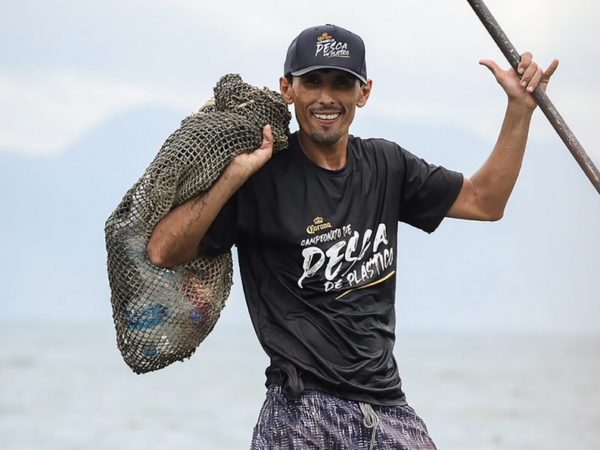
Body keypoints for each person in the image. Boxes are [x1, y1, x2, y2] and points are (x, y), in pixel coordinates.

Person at [146, 24, 558, 450]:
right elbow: (162, 249)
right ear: (288, 89)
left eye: (341, 83)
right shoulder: (261, 176)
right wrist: (232, 176)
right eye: (313, 82)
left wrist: (520, 109)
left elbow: (485, 202)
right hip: (300, 411)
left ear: (363, 92)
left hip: (389, 410)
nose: (327, 97)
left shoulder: (386, 164)